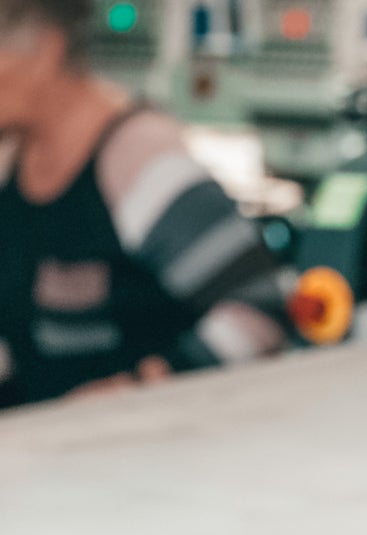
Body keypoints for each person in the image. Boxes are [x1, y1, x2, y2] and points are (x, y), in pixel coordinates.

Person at [0, 0, 288, 406]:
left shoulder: (136, 158)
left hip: (148, 452)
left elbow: (258, 311)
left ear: (45, 51)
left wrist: (137, 390)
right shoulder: (11, 160)